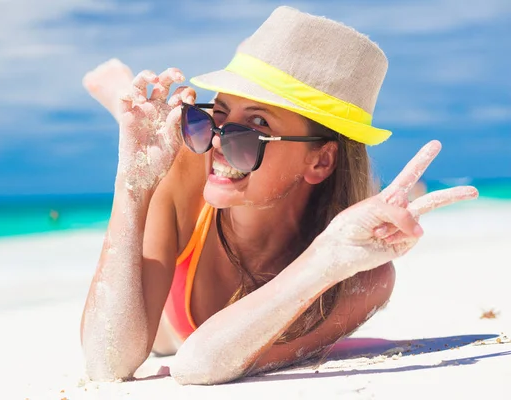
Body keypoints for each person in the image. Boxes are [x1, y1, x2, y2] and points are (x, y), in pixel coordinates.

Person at [79, 6, 478, 385]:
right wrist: (132, 182)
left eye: (256, 123)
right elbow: (107, 362)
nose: (218, 139)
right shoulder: (188, 169)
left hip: (194, 327)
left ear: (320, 161)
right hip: (167, 311)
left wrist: (327, 258)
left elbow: (197, 364)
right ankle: (121, 95)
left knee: (169, 339)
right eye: (216, 114)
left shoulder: (362, 274)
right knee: (159, 332)